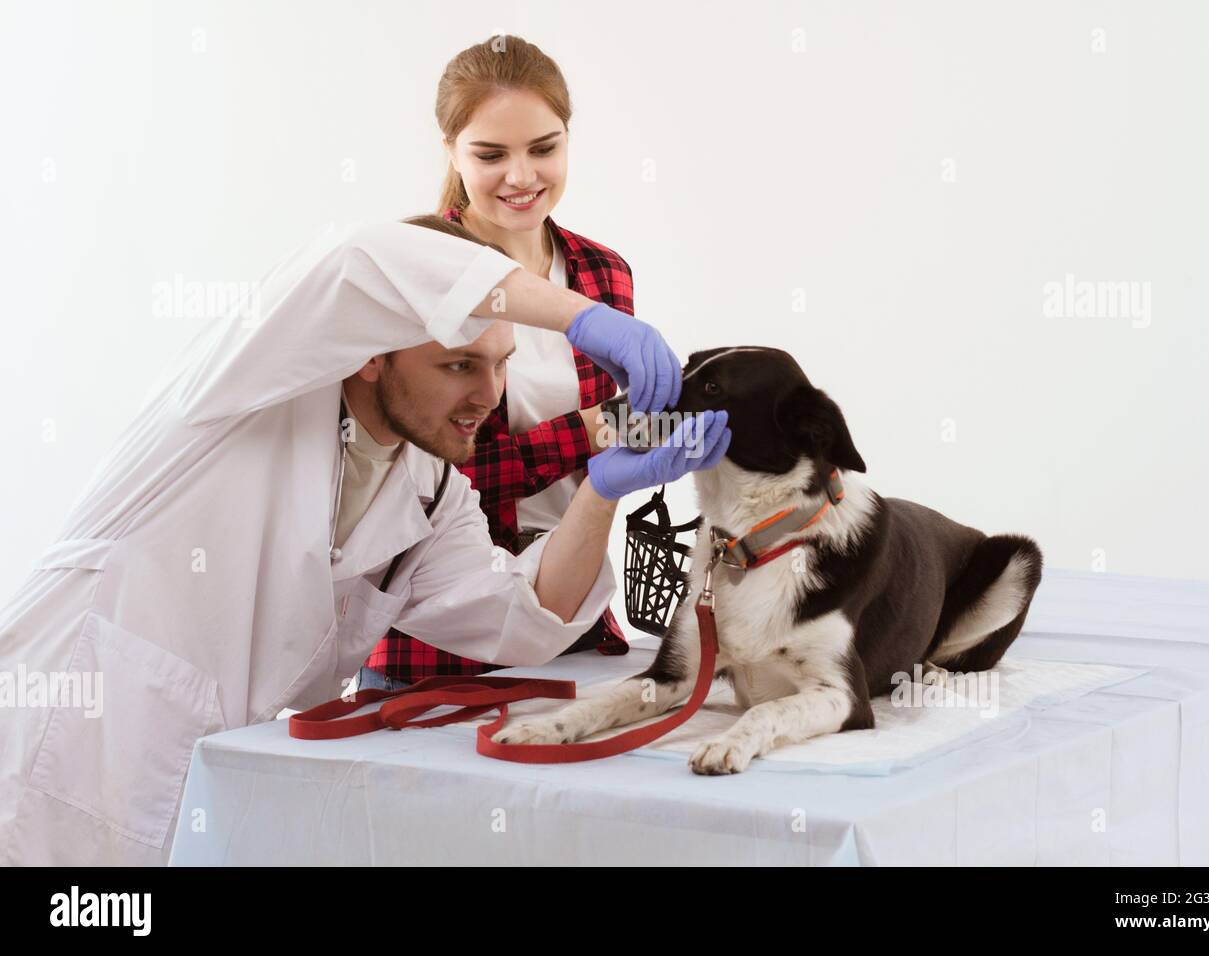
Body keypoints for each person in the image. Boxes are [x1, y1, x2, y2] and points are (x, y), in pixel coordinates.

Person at [0, 215, 729, 866]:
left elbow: (525, 615)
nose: (489, 395)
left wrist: (600, 490)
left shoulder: (429, 489)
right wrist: (585, 320)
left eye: (502, 363)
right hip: (55, 749)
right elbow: (359, 257)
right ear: (372, 350)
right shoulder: (246, 387)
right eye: (459, 365)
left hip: (194, 783)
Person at [362, 34, 641, 689]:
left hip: (575, 629)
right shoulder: (416, 275)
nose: (522, 177)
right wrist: (604, 428)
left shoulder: (605, 274)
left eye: (544, 148)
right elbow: (434, 484)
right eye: (491, 154)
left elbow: (609, 467)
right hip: (437, 654)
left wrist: (660, 434)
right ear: (452, 152)